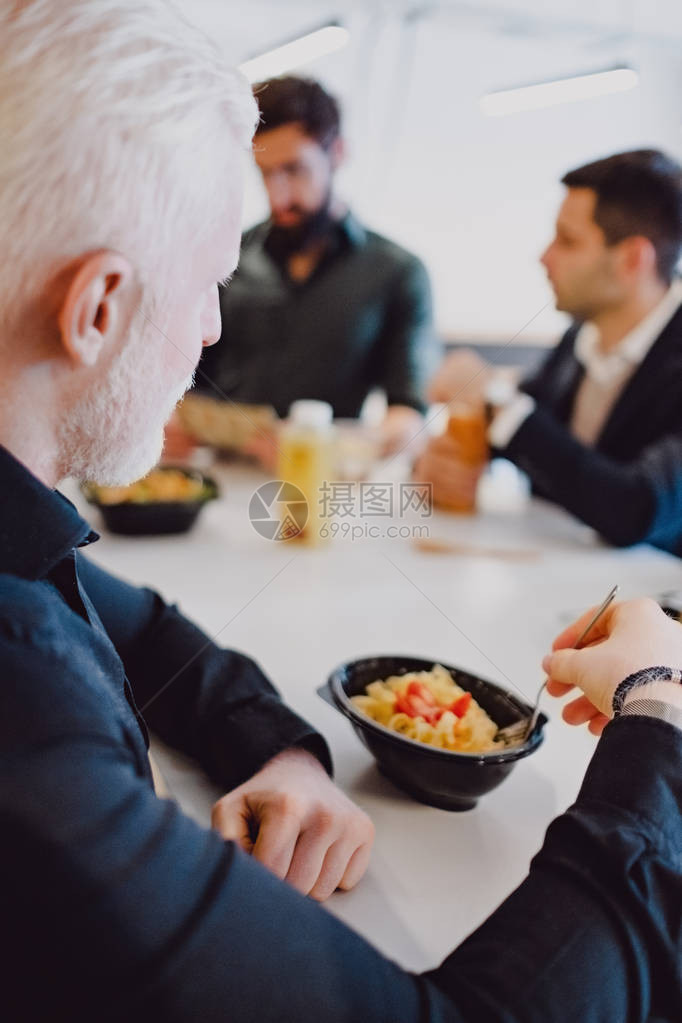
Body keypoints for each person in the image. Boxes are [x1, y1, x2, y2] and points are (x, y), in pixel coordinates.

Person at [1, 4, 681, 1020]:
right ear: (96, 307)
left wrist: (282, 749)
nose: (212, 327)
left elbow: (148, 628)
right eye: (208, 287)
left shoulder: (28, 554)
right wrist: (661, 716)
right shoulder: (32, 735)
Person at [417, 149, 682, 554]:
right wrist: (452, 460)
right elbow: (538, 434)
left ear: (632, 259)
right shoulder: (583, 336)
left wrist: (496, 399)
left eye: (568, 241)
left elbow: (638, 508)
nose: (544, 257)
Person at [193, 74, 439, 457]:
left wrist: (347, 444)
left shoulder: (398, 272)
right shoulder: (227, 256)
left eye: (294, 170)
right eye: (266, 173)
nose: (279, 197)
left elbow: (408, 415)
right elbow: (188, 382)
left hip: (327, 489)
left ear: (337, 154)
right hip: (218, 478)